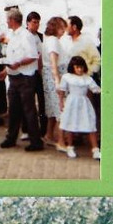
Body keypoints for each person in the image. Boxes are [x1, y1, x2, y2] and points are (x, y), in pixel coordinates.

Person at [0, 9, 44, 152]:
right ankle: (11, 137)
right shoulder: (11, 35)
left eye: (7, 19)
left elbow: (32, 56)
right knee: (13, 110)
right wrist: (6, 71)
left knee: (29, 110)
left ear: (13, 20)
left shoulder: (26, 36)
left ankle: (36, 141)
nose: (6, 22)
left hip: (25, 77)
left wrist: (18, 64)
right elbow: (13, 55)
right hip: (13, 77)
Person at [57, 55, 101, 160]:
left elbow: (95, 89)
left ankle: (95, 150)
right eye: (77, 67)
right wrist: (61, 103)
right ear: (73, 67)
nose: (80, 69)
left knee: (90, 125)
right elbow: (62, 91)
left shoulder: (87, 78)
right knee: (71, 124)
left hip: (84, 103)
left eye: (81, 67)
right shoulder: (67, 77)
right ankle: (70, 147)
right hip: (72, 102)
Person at [41, 16, 68, 145]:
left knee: (52, 109)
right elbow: (53, 62)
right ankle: (61, 141)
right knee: (60, 108)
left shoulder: (47, 40)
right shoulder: (53, 41)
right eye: (62, 28)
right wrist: (58, 80)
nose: (64, 31)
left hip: (48, 77)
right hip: (55, 77)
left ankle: (49, 135)